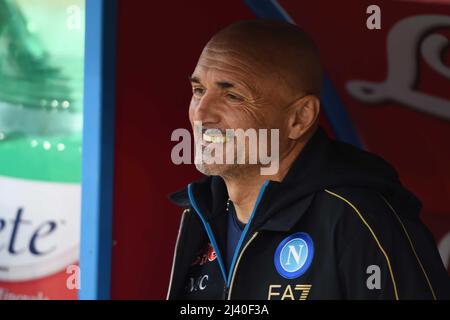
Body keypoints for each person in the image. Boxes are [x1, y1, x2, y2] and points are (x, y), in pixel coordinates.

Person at [167, 19, 450, 300]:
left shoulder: (359, 219)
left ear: (299, 118)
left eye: (232, 96)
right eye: (199, 90)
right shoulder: (201, 212)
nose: (201, 115)